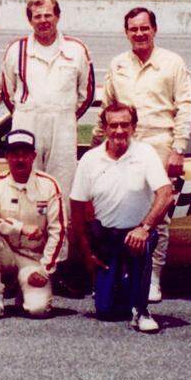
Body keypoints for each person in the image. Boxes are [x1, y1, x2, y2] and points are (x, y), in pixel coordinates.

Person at [93, 6, 191, 303]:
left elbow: (185, 107)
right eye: (133, 29)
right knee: (120, 206)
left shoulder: (172, 62)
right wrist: (97, 145)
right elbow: (107, 108)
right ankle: (121, 273)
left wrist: (178, 148)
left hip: (159, 141)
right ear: (126, 32)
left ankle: (152, 278)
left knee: (157, 215)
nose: (139, 33)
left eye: (144, 28)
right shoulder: (118, 63)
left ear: (154, 29)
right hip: (123, 140)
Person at [0, 0, 93, 293]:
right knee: (24, 191)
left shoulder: (76, 49)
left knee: (59, 194)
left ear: (57, 16)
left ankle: (58, 265)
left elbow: (86, 94)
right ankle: (22, 263)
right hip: (27, 121)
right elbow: (7, 92)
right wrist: (29, 117)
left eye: (48, 15)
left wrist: (62, 116)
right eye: (37, 16)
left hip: (63, 124)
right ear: (30, 19)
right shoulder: (17, 49)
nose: (43, 21)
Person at [71, 102, 173, 333]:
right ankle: (124, 286)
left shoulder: (145, 153)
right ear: (105, 129)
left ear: (134, 127)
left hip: (136, 233)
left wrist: (144, 228)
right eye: (113, 125)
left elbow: (166, 195)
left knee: (143, 244)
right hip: (106, 238)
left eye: (125, 125)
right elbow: (76, 208)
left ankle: (142, 310)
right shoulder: (90, 159)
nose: (119, 131)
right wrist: (87, 253)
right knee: (105, 310)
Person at [0, 129, 66, 320]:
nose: (20, 159)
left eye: (25, 154)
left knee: (38, 310)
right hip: (5, 255)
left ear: (33, 156)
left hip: (33, 259)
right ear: (6, 156)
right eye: (14, 154)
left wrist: (45, 270)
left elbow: (59, 230)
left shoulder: (49, 185)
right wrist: (18, 227)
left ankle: (23, 290)